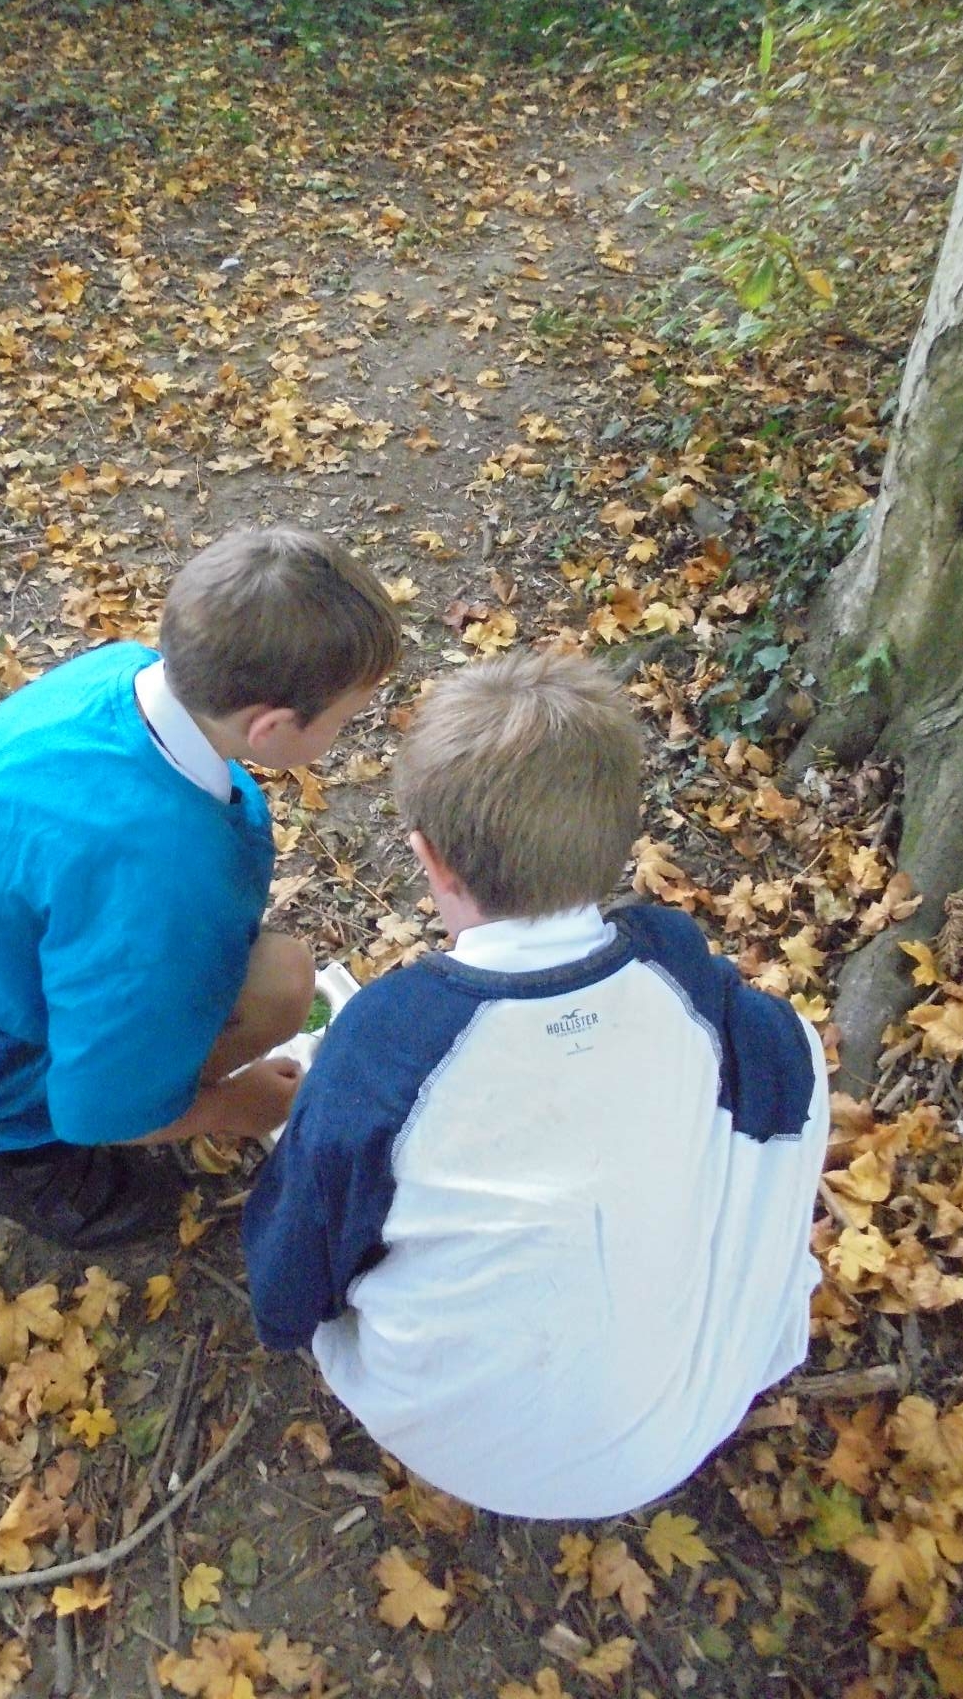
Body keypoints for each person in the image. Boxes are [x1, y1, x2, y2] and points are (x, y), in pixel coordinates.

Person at [243, 648, 828, 1518]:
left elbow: (290, 1284)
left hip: (467, 1447)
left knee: (342, 1179)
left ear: (430, 858)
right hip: (697, 1413)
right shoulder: (673, 966)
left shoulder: (389, 1039)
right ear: (614, 846)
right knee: (786, 1045)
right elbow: (776, 1080)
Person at [0, 527, 400, 1254]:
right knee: (264, 1002)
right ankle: (6, 1155)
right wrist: (233, 1106)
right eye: (345, 719)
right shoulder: (161, 874)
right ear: (267, 728)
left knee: (275, 977)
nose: (348, 732)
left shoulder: (126, 672)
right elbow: (103, 1099)